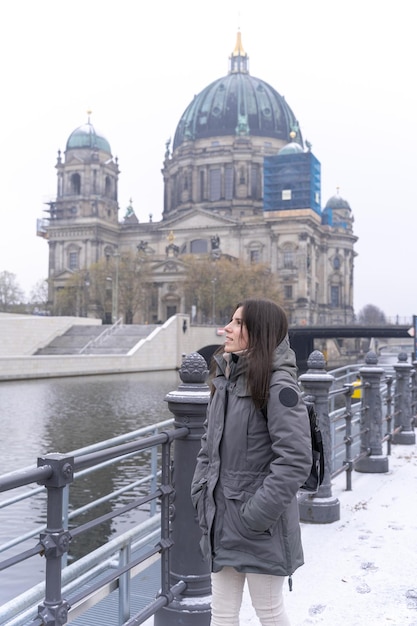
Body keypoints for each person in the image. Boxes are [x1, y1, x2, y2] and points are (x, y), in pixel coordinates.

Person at [191, 298, 312, 626]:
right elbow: (207, 449)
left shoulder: (278, 385)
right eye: (230, 321)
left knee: (269, 613)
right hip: (221, 518)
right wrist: (201, 496)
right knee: (223, 614)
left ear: (258, 332)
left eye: (237, 323)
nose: (227, 329)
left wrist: (256, 516)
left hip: (259, 526)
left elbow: (296, 460)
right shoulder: (225, 380)